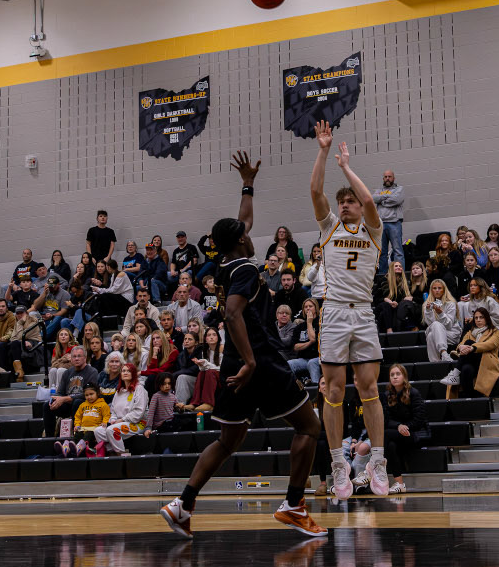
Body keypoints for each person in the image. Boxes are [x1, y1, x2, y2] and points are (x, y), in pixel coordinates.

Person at [161, 150, 324, 536]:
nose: (251, 233)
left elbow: (243, 220)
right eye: (246, 233)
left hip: (234, 362)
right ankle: (294, 505)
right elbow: (232, 315)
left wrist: (247, 185)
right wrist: (251, 362)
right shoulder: (248, 269)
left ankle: (182, 504)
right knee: (309, 427)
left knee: (228, 440)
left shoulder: (225, 264)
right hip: (259, 361)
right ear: (239, 241)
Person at [309, 120, 388, 501]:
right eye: (342, 202)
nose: (344, 204)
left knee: (369, 388)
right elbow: (315, 191)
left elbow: (371, 202)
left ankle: (378, 461)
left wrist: (346, 167)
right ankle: (338, 463)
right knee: (335, 390)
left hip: (364, 313)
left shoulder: (373, 230)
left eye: (349, 201)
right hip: (336, 313)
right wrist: (324, 152)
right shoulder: (329, 228)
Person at [383, 361, 430, 491]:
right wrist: (398, 426)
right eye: (392, 374)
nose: (395, 377)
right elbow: (386, 420)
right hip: (395, 434)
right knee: (390, 446)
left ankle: (373, 466)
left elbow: (419, 421)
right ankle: (399, 483)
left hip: (413, 433)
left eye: (398, 374)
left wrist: (404, 427)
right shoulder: (387, 395)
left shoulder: (414, 393)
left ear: (404, 376)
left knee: (384, 434)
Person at [451, 308, 499, 400]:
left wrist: (473, 348)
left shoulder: (495, 331)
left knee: (469, 342)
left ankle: (455, 373)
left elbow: (491, 344)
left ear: (487, 318)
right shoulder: (470, 332)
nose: (478, 320)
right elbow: (461, 344)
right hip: (472, 362)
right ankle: (469, 398)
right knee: (466, 368)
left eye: (481, 317)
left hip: (487, 361)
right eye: (476, 318)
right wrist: (460, 347)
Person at [375, 168, 406, 271]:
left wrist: (382, 200)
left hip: (394, 223)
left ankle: (399, 275)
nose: (387, 178)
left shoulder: (399, 189)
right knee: (382, 252)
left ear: (394, 178)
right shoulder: (379, 190)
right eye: (385, 177)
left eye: (389, 176)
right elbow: (373, 198)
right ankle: (382, 276)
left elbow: (397, 200)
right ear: (383, 178)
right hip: (381, 224)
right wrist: (388, 197)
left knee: (398, 251)